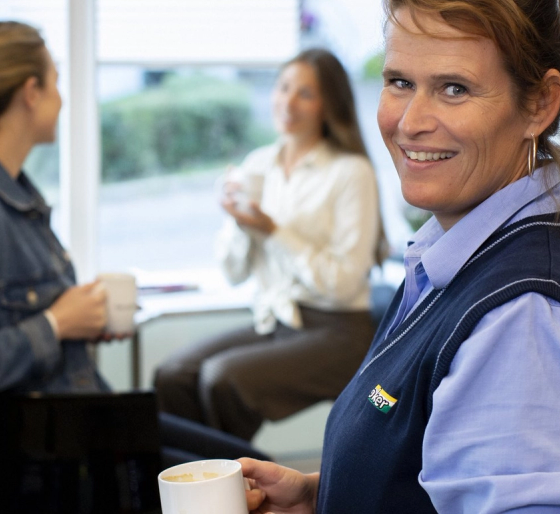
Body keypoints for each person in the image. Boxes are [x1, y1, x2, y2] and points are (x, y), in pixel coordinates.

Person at [238, 0, 560, 513]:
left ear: (540, 104)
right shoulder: (455, 256)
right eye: (400, 81)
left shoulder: (522, 317)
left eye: (454, 88)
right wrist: (324, 495)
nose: (410, 121)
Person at [0, 20, 266, 512]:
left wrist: (80, 323)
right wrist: (57, 324)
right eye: (55, 82)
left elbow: (11, 320)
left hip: (80, 422)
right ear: (30, 93)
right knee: (240, 492)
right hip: (34, 455)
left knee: (252, 468)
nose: (62, 98)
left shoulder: (14, 196)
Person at [153, 48, 388, 441]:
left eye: (306, 94)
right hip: (276, 320)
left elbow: (344, 283)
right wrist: (238, 223)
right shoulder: (258, 165)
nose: (288, 102)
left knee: (223, 380)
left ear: (329, 104)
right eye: (283, 88)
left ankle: (232, 484)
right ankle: (201, 484)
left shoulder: (351, 172)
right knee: (172, 375)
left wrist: (274, 231)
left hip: (338, 331)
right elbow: (233, 273)